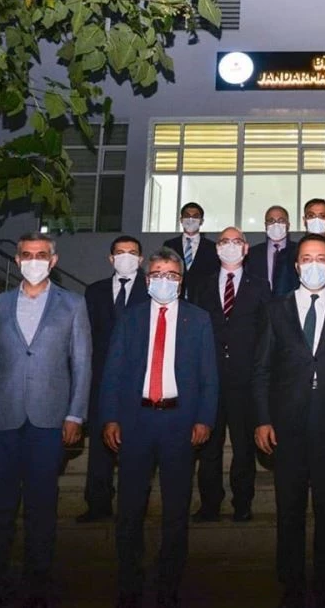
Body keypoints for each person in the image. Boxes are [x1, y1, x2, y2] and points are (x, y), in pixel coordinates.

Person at [0, 232, 92, 608]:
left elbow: (82, 364)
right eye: (27, 254)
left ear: (53, 260)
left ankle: (38, 585)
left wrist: (75, 414)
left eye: (41, 254)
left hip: (49, 423)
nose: (34, 260)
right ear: (17, 260)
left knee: (41, 508)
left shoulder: (73, 305)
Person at [253, 234, 325, 608]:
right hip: (286, 424)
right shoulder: (276, 309)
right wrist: (262, 419)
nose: (314, 264)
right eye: (307, 258)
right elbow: (262, 370)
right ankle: (291, 584)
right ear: (296, 265)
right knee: (289, 509)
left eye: (321, 258)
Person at [99, 247, 218, 608]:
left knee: (176, 511)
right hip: (135, 421)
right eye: (158, 275)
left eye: (172, 275)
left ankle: (169, 584)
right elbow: (113, 370)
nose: (164, 281)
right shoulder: (130, 318)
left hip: (179, 423)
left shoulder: (199, 319)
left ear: (181, 281)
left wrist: (204, 419)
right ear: (147, 279)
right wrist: (110, 417)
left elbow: (209, 376)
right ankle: (129, 583)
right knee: (129, 509)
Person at [189, 227, 271, 523]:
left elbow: (266, 333)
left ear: (246, 248)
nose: (231, 246)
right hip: (209, 380)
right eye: (224, 241)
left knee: (243, 447)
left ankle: (242, 504)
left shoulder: (260, 286)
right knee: (208, 447)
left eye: (237, 242)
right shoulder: (201, 285)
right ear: (217, 248)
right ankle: (210, 504)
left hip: (245, 379)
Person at [77, 235, 149, 524]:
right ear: (111, 258)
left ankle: (134, 507)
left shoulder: (152, 288)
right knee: (100, 446)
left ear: (141, 260)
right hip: (101, 379)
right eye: (120, 252)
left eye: (132, 252)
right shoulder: (94, 292)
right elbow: (85, 336)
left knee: (138, 448)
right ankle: (98, 504)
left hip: (140, 379)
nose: (126, 257)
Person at [162, 202, 219, 299]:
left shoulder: (212, 247)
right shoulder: (169, 245)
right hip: (175, 297)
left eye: (195, 216)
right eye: (187, 216)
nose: (191, 219)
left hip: (202, 299)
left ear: (201, 221)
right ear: (181, 220)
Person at [245, 204, 298, 293]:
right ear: (265, 225)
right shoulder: (252, 254)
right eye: (271, 221)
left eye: (281, 221)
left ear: (288, 225)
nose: (276, 224)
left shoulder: (298, 251)